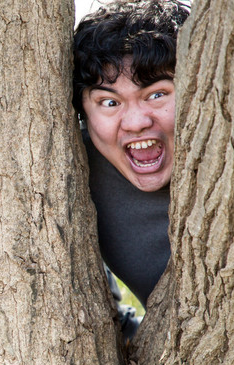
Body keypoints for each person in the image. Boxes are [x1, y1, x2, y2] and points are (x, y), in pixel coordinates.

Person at [73, 0, 190, 340]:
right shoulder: (77, 171)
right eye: (109, 102)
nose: (136, 122)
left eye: (156, 95)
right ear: (84, 113)